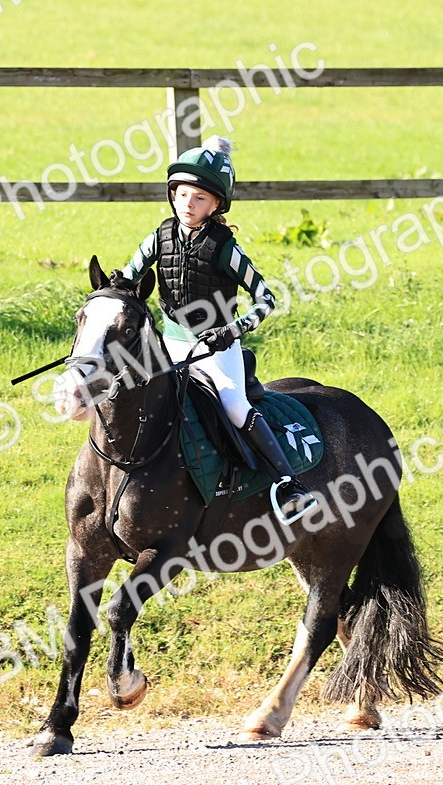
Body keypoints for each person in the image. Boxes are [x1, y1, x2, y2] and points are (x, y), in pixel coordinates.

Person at [120, 135, 318, 523]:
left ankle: (288, 484)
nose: (188, 204)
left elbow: (266, 299)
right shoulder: (158, 237)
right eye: (182, 195)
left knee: (234, 405)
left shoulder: (225, 247)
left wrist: (232, 330)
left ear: (216, 206)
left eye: (199, 199)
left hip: (215, 349)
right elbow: (128, 278)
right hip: (169, 344)